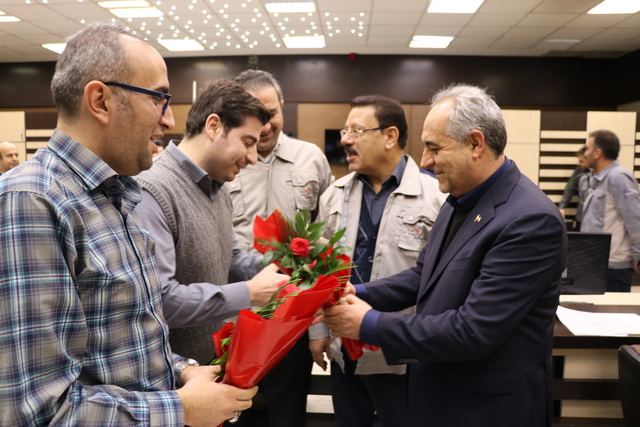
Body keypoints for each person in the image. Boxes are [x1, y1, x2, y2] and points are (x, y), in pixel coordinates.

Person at [0, 23, 257, 427]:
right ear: (100, 101)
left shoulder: (117, 194)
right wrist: (183, 408)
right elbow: (37, 410)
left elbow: (125, 341)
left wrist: (182, 371)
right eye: (158, 99)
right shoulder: (31, 203)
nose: (170, 119)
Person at [323, 83, 568, 427]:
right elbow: (422, 276)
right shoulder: (459, 200)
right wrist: (357, 292)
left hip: (487, 410)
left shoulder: (530, 219)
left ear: (475, 144)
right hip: (441, 394)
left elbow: (473, 331)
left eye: (434, 148)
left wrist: (369, 323)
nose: (425, 161)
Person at [308, 95, 446, 427]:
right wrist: (318, 330)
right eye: (344, 131)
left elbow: (442, 283)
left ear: (390, 136)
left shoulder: (437, 198)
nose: (345, 140)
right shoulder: (334, 195)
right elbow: (319, 270)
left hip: (403, 357)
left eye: (356, 130)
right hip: (345, 352)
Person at [136, 79, 289, 365]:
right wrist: (249, 293)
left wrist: (285, 262)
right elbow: (160, 299)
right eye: (247, 143)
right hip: (170, 375)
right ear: (214, 126)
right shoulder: (153, 190)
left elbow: (230, 259)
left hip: (209, 366)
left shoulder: (219, 190)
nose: (253, 158)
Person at [225, 69, 333, 427]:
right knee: (231, 413)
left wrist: (318, 329)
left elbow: (325, 247)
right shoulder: (225, 160)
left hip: (293, 320)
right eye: (256, 115)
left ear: (283, 106)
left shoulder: (311, 158)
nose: (266, 124)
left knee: (288, 415)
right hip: (235, 317)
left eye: (271, 113)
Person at [580, 129, 640, 292]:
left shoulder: (618, 177)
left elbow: (635, 220)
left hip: (612, 267)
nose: (585, 154)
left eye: (587, 149)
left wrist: (638, 257)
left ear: (597, 153)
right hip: (595, 263)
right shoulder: (599, 178)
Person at [558, 146, 589, 230]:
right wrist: (562, 207)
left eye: (581, 161)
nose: (578, 164)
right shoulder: (579, 171)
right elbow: (569, 189)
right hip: (581, 217)